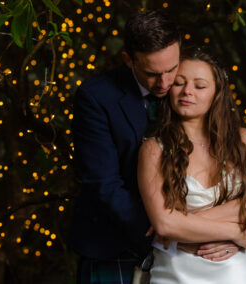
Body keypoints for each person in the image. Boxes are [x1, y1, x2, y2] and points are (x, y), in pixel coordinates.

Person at [137, 46, 246, 283]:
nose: (188, 91)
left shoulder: (244, 139)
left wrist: (183, 226)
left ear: (216, 93)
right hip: (175, 269)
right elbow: (165, 223)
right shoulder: (153, 149)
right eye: (179, 83)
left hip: (235, 270)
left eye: (200, 86)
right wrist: (233, 231)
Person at [69, 10, 181, 283]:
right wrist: (166, 233)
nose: (165, 83)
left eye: (171, 69)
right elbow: (103, 183)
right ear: (128, 60)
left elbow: (226, 152)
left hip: (186, 243)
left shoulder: (194, 86)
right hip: (116, 241)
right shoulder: (96, 97)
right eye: (152, 73)